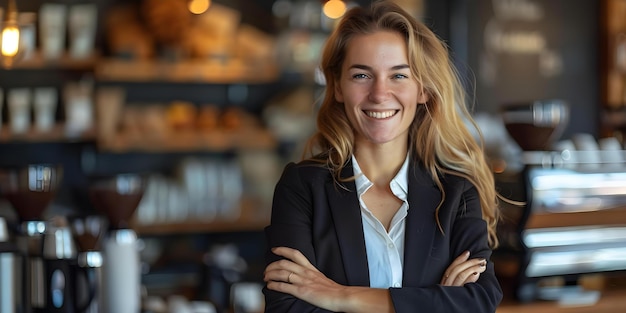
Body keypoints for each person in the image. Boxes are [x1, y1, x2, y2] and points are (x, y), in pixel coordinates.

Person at [263, 1, 502, 312]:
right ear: (337, 87)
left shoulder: (457, 192)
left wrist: (340, 296)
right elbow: (287, 308)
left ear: (423, 90)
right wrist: (432, 302)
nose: (379, 93)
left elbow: (479, 303)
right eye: (362, 75)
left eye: (398, 76)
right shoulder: (302, 188)